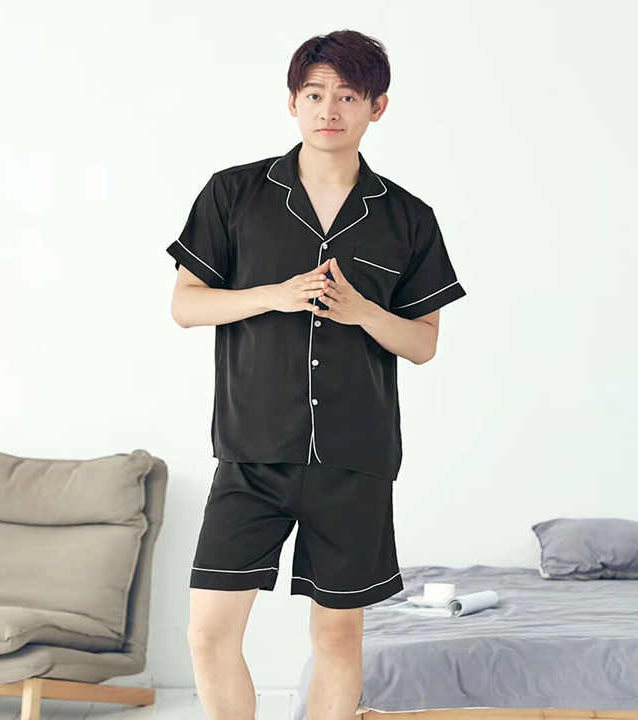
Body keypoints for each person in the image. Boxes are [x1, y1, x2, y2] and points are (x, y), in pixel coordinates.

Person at [166, 29, 467, 720]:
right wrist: (272, 295)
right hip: (251, 453)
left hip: (354, 459)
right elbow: (186, 305)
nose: (329, 109)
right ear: (293, 102)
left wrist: (362, 312)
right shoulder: (234, 194)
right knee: (208, 633)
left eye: (348, 96)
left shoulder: (408, 218)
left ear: (377, 107)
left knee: (336, 636)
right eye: (314, 94)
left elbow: (422, 344)